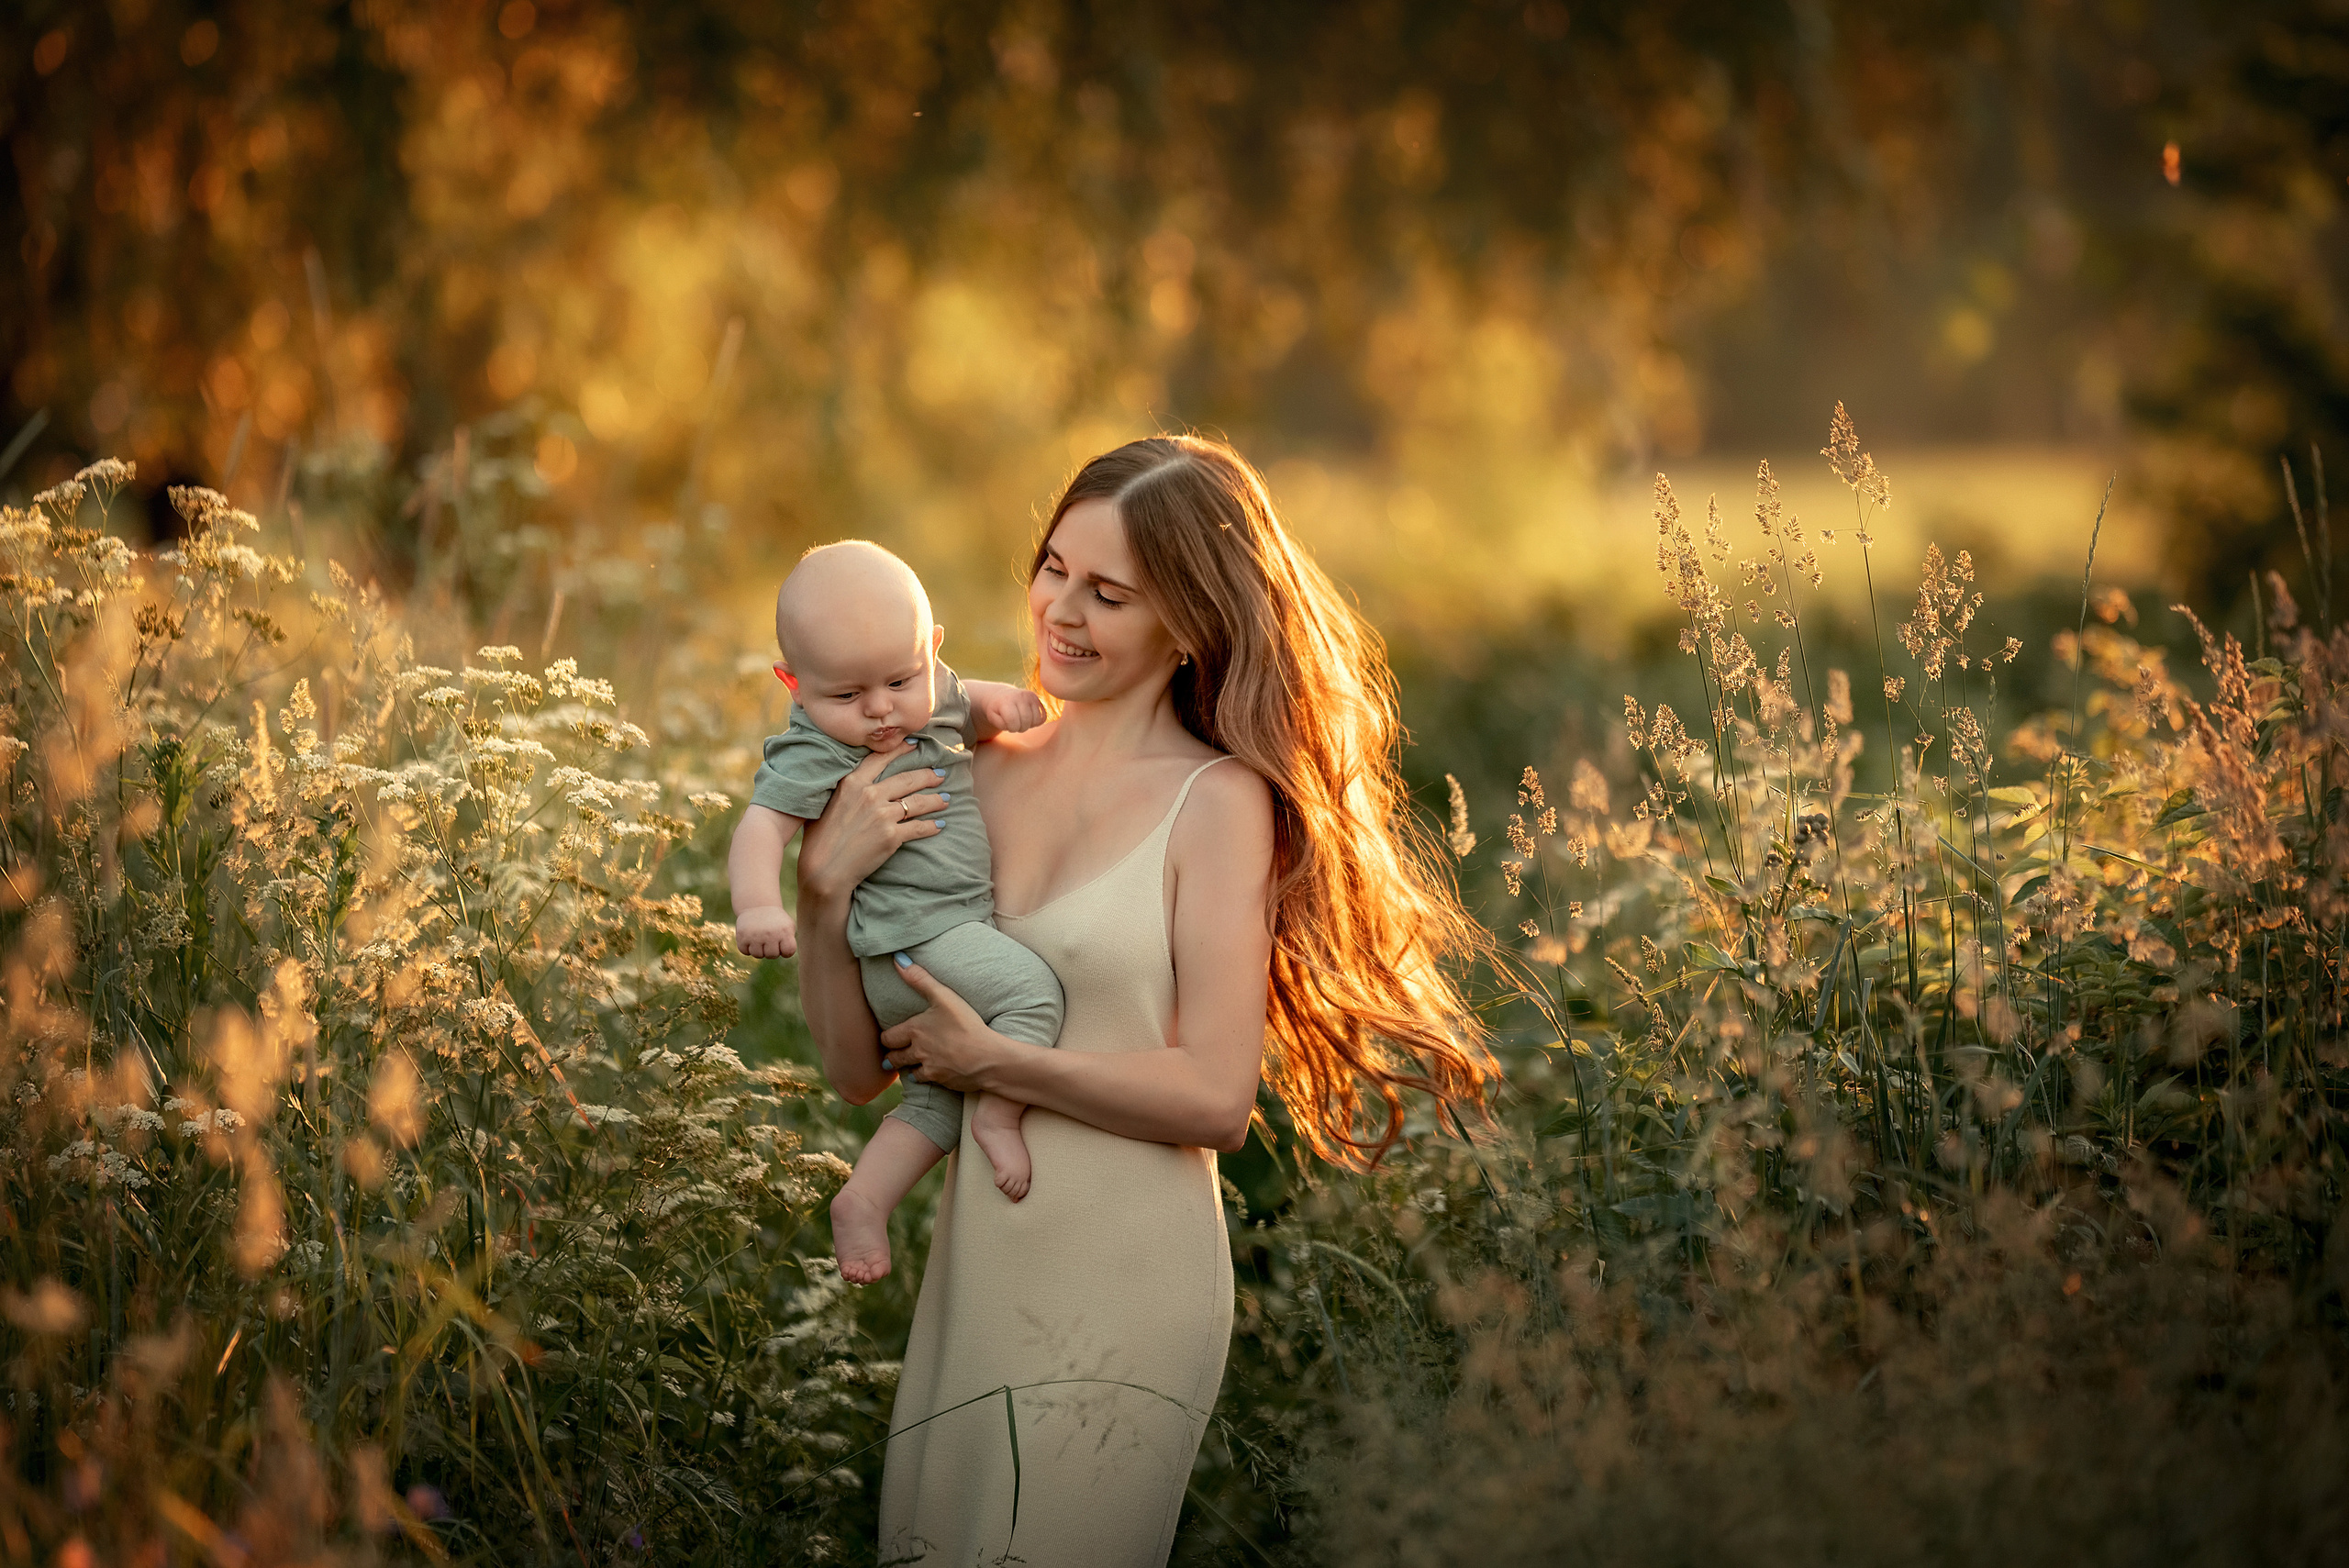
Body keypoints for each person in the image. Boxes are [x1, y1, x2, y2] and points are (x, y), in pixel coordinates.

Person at [791, 435, 1491, 1566]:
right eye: (1053, 566)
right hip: (981, 1265)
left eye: (1108, 592)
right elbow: (859, 1069)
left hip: (1130, 1272)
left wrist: (1000, 1067)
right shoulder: (964, 778)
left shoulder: (1217, 806)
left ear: (1186, 622)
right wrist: (823, 894)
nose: (1060, 609)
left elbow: (1216, 1096)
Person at [727, 541, 1057, 1285]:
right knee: (1033, 994)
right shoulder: (814, 746)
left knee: (935, 1103)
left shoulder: (925, 691)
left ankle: (864, 1198)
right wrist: (758, 906)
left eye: (900, 679)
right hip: (919, 942)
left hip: (925, 948)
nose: (880, 710)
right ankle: (1001, 1116)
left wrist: (997, 702)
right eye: (848, 694)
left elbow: (961, 701)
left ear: (929, 650)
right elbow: (760, 827)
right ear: (794, 684)